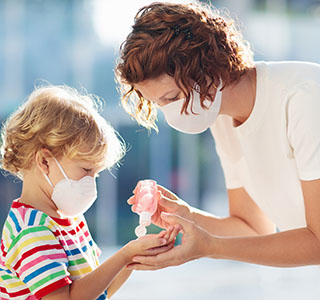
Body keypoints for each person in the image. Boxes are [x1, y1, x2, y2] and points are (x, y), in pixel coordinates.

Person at [115, 1, 320, 271]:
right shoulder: (221, 116)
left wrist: (210, 247)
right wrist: (186, 216)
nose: (172, 115)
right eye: (160, 105)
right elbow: (253, 230)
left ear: (207, 67)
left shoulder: (304, 98)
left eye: (173, 97)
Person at [0, 85, 180, 299]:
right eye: (86, 170)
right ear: (44, 161)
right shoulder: (31, 231)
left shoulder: (70, 217)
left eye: (96, 173)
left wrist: (134, 257)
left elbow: (99, 291)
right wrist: (124, 255)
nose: (91, 183)